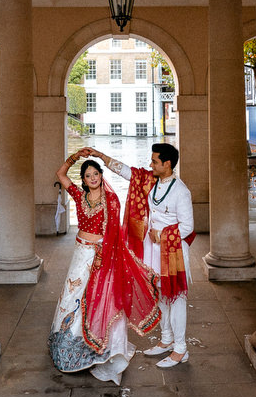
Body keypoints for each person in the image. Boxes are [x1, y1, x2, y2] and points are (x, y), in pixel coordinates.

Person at [47, 151, 160, 384]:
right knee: (72, 295)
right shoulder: (78, 195)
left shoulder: (111, 200)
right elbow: (60, 174)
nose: (93, 178)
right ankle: (68, 345)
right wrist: (75, 156)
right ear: (84, 179)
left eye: (96, 174)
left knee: (100, 298)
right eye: (88, 175)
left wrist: (102, 254)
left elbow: (114, 234)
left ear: (101, 175)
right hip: (81, 253)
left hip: (102, 254)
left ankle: (101, 349)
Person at [80, 143, 194, 368]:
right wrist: (100, 155)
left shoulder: (181, 191)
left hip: (174, 252)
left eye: (154, 162)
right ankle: (166, 340)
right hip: (154, 249)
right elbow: (126, 171)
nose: (150, 165)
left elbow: (188, 226)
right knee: (161, 294)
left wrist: (161, 234)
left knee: (177, 299)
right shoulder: (151, 181)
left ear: (167, 164)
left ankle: (181, 349)